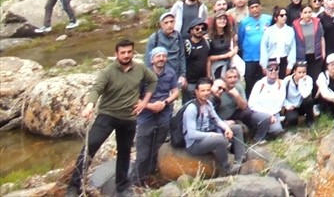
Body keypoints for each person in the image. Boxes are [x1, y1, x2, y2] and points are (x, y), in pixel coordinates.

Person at [66, 39, 156, 196]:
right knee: (89, 148)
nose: (126, 55)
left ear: (133, 52)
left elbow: (153, 80)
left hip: (129, 118)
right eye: (123, 52)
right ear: (116, 54)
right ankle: (74, 187)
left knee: (124, 152)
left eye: (129, 52)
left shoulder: (140, 68)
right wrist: (89, 106)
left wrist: (144, 102)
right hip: (107, 115)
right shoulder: (108, 71)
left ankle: (122, 187)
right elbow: (96, 89)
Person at [133, 45, 179, 186]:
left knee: (158, 144)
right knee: (143, 146)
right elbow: (134, 97)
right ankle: (136, 179)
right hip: (146, 112)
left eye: (164, 56)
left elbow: (176, 91)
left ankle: (151, 173)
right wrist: (150, 106)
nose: (161, 59)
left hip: (164, 110)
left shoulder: (170, 72)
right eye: (158, 56)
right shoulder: (143, 74)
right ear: (152, 59)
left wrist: (165, 102)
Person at [181, 78, 245, 174]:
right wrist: (212, 135)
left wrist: (227, 128)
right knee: (219, 140)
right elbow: (191, 134)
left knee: (237, 129)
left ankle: (239, 161)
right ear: (197, 92)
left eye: (208, 90)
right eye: (203, 91)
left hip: (207, 135)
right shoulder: (192, 108)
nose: (206, 93)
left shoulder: (208, 104)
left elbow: (217, 120)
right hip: (194, 144)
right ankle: (226, 168)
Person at [247, 61, 286, 140]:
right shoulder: (259, 84)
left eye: (276, 69)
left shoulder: (281, 84)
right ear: (266, 71)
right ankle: (258, 138)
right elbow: (251, 104)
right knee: (265, 119)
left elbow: (279, 103)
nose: (273, 71)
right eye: (270, 69)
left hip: (274, 113)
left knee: (277, 130)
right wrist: (268, 115)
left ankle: (267, 130)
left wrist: (271, 115)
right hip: (258, 113)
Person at [238, 0, 269, 93]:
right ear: (249, 9)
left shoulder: (268, 19)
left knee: (264, 82)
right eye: (252, 7)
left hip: (264, 57)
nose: (255, 9)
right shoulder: (244, 22)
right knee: (250, 82)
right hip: (249, 58)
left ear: (260, 7)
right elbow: (240, 39)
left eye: (256, 6)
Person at [145, 11, 186, 83]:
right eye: (166, 23)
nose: (169, 25)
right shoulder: (154, 38)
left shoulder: (178, 36)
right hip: (159, 75)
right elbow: (148, 60)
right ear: (161, 24)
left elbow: (182, 56)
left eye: (171, 22)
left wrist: (183, 75)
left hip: (175, 74)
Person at [261, 6, 297, 78]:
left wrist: (290, 65)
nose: (284, 17)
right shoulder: (269, 31)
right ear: (275, 17)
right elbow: (263, 48)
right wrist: (264, 65)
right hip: (271, 60)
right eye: (281, 15)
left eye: (285, 15)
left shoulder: (290, 30)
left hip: (284, 60)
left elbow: (292, 48)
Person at [182, 20, 211, 100]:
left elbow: (208, 59)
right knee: (188, 105)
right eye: (197, 29)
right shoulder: (186, 45)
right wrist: (183, 77)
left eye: (202, 29)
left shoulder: (206, 42)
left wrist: (209, 76)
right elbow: (182, 61)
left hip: (203, 81)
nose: (200, 31)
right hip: (190, 82)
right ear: (191, 31)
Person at [281, 60, 315, 127]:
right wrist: (287, 105)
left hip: (302, 104)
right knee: (292, 120)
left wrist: (301, 83)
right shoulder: (286, 80)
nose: (302, 74)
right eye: (299, 72)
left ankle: (310, 121)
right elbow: (281, 96)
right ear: (294, 72)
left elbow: (305, 95)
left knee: (309, 100)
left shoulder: (308, 79)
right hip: (291, 106)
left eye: (304, 72)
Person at [292, 4, 324, 72]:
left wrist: (323, 52)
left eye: (309, 12)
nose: (308, 14)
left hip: (315, 56)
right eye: (305, 12)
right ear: (301, 13)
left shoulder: (317, 23)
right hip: (302, 57)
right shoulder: (295, 26)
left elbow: (322, 38)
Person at [207, 8, 238, 79]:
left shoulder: (230, 34)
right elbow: (208, 58)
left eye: (224, 19)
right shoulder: (209, 37)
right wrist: (225, 55)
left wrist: (233, 52)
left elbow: (235, 46)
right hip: (216, 66)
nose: (222, 21)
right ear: (215, 21)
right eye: (220, 19)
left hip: (230, 65)